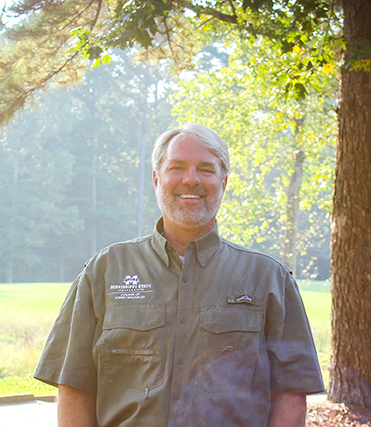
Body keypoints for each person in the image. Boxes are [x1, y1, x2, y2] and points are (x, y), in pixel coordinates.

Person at [35, 123, 324, 427]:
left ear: (223, 183)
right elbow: (74, 386)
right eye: (177, 167)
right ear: (157, 179)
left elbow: (290, 396)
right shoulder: (105, 270)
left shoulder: (269, 279)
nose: (191, 179)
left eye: (206, 169)